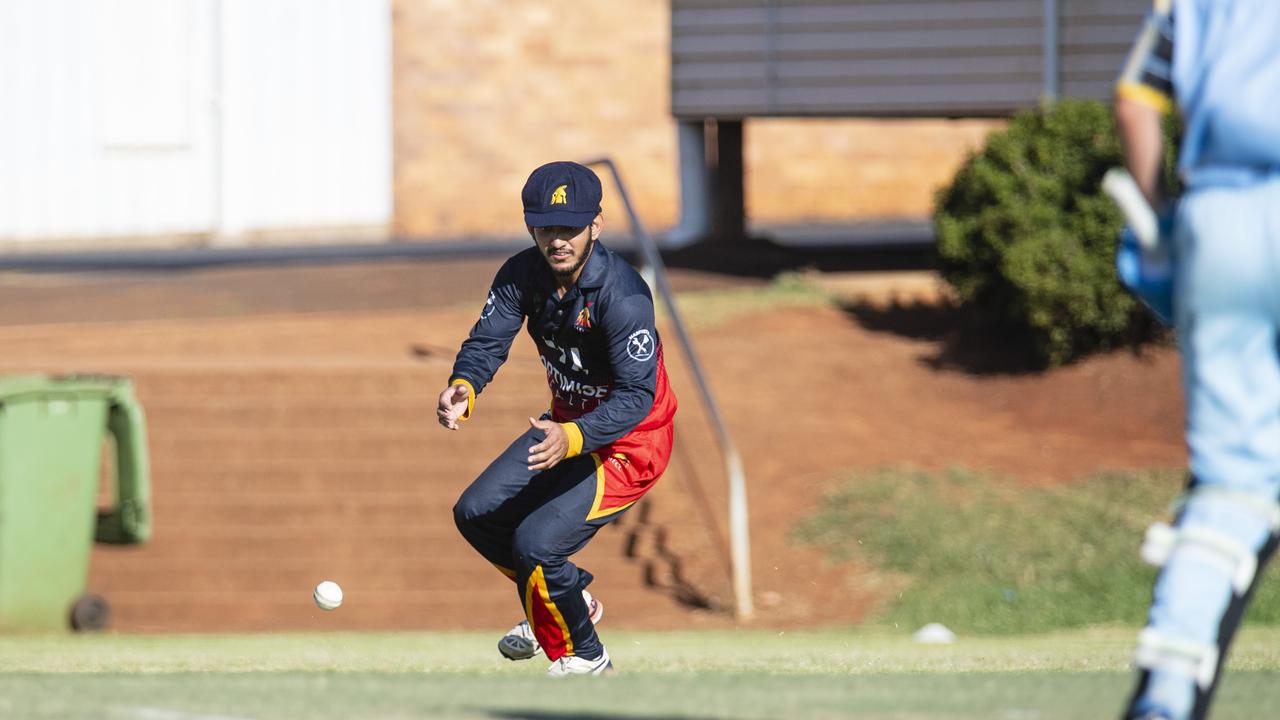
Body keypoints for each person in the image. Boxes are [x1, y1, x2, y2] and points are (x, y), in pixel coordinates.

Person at [437, 161, 677, 676]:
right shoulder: (520, 275)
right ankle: (570, 602)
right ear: (531, 227)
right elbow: (487, 341)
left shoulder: (625, 295)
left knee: (538, 545)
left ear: (597, 225)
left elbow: (638, 395)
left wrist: (574, 436)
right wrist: (464, 386)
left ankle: (587, 661)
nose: (558, 240)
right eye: (546, 227)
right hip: (564, 428)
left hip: (631, 444)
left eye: (569, 228)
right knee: (475, 512)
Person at [1114, 1, 1280, 718]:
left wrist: (1157, 230)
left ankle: (1170, 690)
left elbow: (1134, 102)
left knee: (1231, 485)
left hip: (1221, 220)